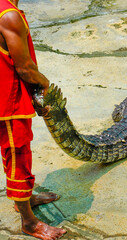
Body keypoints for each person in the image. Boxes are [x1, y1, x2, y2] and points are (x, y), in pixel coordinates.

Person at [0, 0, 66, 239]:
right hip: (8, 101)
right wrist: (45, 83)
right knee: (19, 154)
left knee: (13, 152)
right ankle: (29, 222)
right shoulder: (8, 15)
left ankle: (24, 199)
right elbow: (25, 68)